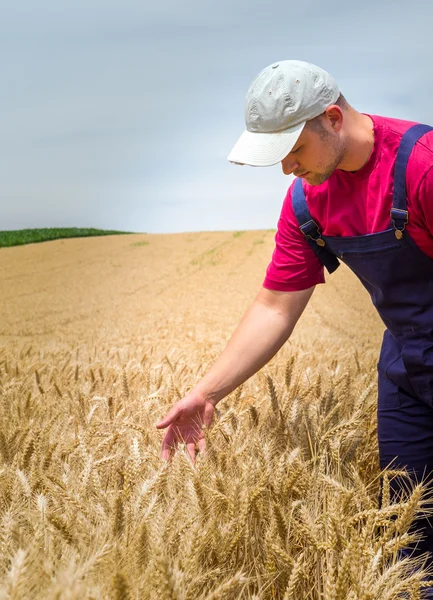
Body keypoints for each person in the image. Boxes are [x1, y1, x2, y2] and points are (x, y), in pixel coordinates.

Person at [156, 60, 433, 577]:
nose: (287, 169)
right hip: (407, 369)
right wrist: (207, 392)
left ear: (332, 118)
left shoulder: (424, 168)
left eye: (292, 152)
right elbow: (274, 307)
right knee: (407, 533)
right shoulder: (307, 201)